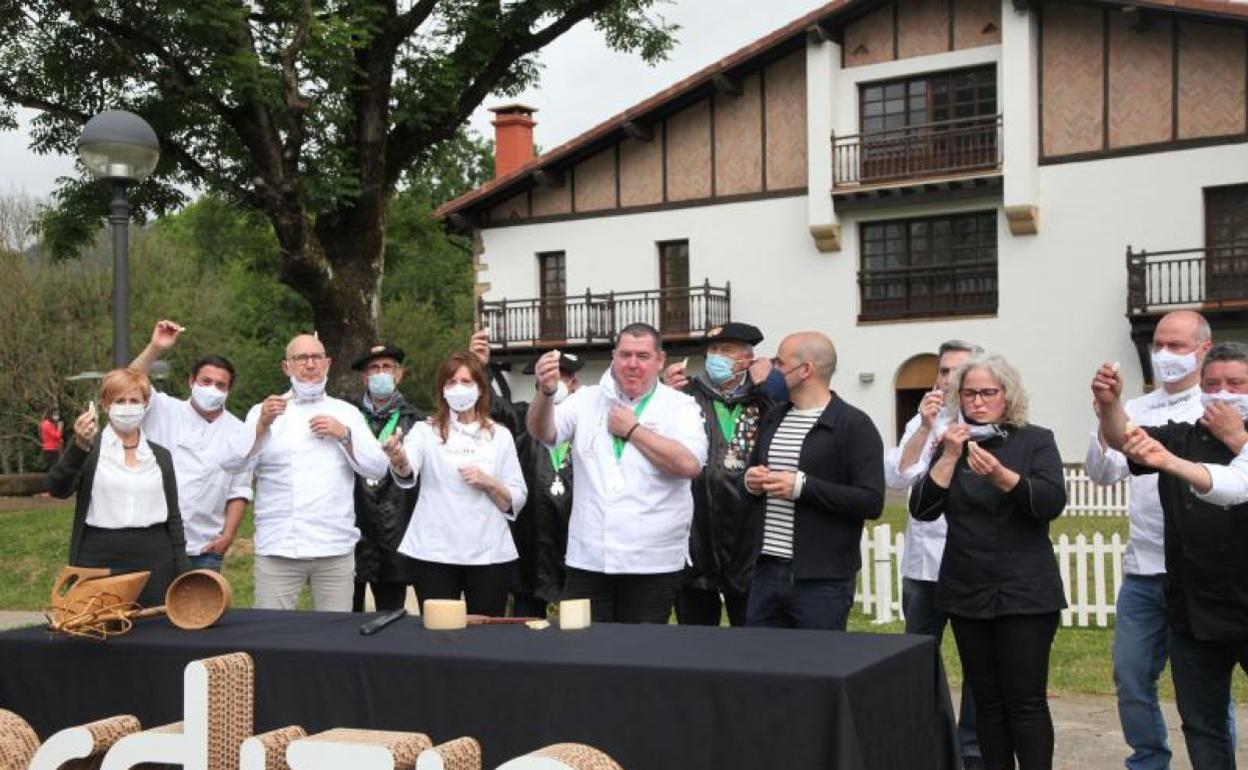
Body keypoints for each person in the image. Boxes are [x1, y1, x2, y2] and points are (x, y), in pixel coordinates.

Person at [910, 353, 1066, 770]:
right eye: (969, 393)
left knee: (1025, 701)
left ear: (1007, 395)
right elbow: (922, 509)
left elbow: (1050, 503)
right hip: (966, 586)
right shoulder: (952, 443)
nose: (977, 402)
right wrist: (946, 457)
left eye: (988, 393)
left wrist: (1003, 477)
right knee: (987, 700)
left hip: (1025, 591)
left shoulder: (1036, 440)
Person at [1096, 342, 1248, 770]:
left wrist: (1238, 439)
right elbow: (1123, 439)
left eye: (1236, 384)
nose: (1223, 392)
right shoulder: (1182, 435)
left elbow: (1234, 485)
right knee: (1202, 723)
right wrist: (1110, 406)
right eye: (1213, 384)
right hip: (1193, 607)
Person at [526, 322, 708, 624]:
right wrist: (545, 393)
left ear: (660, 360)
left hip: (652, 562)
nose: (632, 364)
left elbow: (689, 464)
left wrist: (634, 431)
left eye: (642, 356)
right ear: (614, 356)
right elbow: (543, 432)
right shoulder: (587, 399)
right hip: (589, 558)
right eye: (625, 355)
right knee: (583, 648)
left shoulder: (680, 406)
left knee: (639, 656)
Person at [221, 333, 388, 612]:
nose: (310, 365)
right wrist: (261, 425)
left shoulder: (345, 412)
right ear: (286, 367)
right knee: (271, 633)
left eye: (316, 358)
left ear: (327, 363)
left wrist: (344, 435)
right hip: (280, 546)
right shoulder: (264, 411)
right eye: (301, 358)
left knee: (334, 637)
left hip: (335, 547)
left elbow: (378, 468)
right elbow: (230, 463)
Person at [884, 339, 983, 769]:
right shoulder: (923, 421)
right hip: (923, 565)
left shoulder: (987, 423)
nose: (948, 379)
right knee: (917, 658)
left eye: (958, 371)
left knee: (978, 662)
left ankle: (973, 749)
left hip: (970, 563)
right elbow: (898, 476)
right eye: (943, 371)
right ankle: (922, 741)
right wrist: (924, 427)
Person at [742, 331, 884, 630]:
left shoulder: (854, 425)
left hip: (821, 582)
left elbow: (870, 501)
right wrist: (751, 482)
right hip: (766, 573)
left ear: (805, 370)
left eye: (779, 363)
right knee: (760, 668)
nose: (771, 370)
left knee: (815, 671)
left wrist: (802, 487)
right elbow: (756, 472)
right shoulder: (774, 417)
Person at [382, 351, 527, 617]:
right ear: (442, 390)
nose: (458, 388)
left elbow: (516, 497)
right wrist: (397, 457)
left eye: (466, 381)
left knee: (484, 633)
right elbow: (407, 470)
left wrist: (489, 483)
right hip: (434, 553)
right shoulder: (426, 431)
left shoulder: (500, 436)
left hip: (488, 553)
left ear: (480, 388)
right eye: (451, 382)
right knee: (438, 634)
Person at [45, 368, 190, 607]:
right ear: (105, 405)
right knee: (96, 634)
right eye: (119, 401)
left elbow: (174, 518)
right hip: (98, 558)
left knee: (155, 635)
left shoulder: (161, 456)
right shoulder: (89, 450)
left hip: (155, 560)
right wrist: (79, 447)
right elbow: (57, 488)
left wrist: (183, 569)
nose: (127, 407)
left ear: (145, 404)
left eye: (134, 401)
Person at [663, 322, 775, 627]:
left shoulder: (762, 399)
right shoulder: (687, 396)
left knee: (750, 635)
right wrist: (661, 394)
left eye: (725, 351)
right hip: (695, 533)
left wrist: (766, 387)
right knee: (696, 637)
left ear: (747, 359)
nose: (716, 357)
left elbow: (782, 433)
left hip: (749, 533)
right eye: (712, 350)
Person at [129, 320, 253, 572]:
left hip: (204, 550)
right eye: (205, 382)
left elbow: (239, 490)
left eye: (220, 385)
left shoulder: (241, 431)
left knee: (198, 613)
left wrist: (227, 537)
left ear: (229, 391)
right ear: (191, 381)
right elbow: (129, 383)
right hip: (152, 541)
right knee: (149, 611)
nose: (212, 389)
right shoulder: (164, 409)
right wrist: (155, 347)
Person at [349, 343, 422, 613]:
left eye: (387, 367)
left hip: (397, 529)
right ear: (364, 377)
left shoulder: (416, 420)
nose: (381, 373)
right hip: (352, 529)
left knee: (392, 619)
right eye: (374, 368)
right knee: (344, 619)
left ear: (399, 374)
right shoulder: (347, 416)